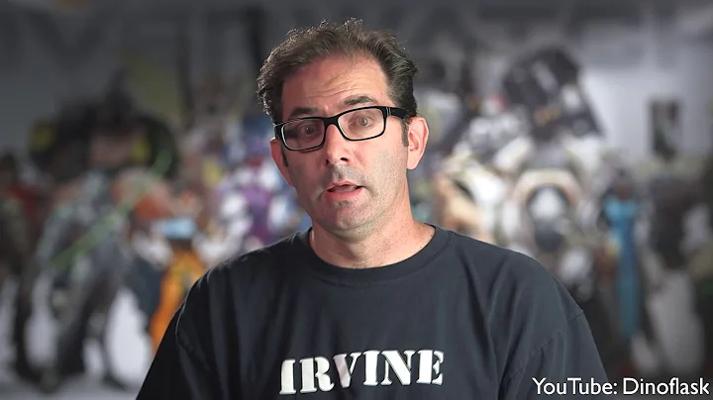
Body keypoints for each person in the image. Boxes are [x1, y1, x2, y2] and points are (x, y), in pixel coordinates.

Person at [139, 19, 607, 399]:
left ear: (413, 141)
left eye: (362, 120)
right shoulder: (224, 309)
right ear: (283, 162)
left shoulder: (519, 301)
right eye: (307, 129)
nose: (334, 151)